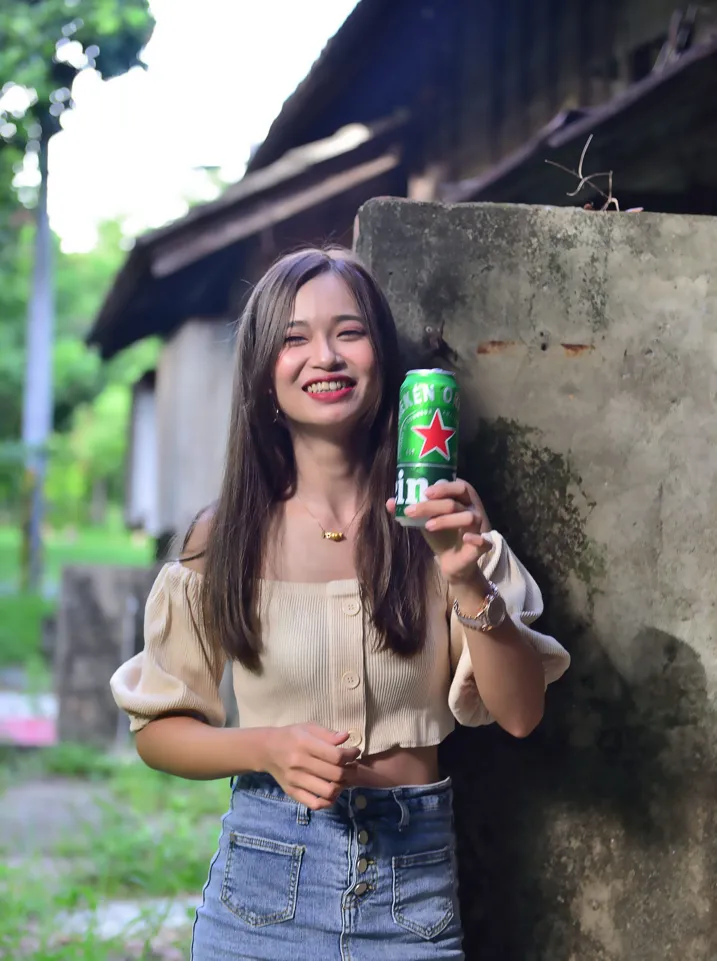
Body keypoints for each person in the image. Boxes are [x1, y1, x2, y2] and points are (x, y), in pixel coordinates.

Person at [111, 246, 570, 960]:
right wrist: (264, 746)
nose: (324, 356)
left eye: (347, 332)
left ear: (382, 362)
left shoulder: (445, 524)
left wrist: (465, 578)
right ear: (264, 375)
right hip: (263, 886)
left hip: (409, 892)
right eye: (294, 338)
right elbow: (156, 729)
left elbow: (518, 713)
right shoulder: (221, 537)